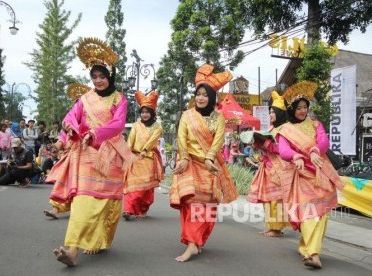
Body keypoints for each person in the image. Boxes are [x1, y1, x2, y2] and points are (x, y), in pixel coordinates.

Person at [45, 37, 135, 267]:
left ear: (110, 76)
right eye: (94, 77)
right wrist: (63, 137)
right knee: (83, 199)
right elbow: (71, 119)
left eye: (102, 76)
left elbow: (117, 125)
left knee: (106, 203)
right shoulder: (85, 99)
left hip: (110, 154)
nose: (98, 81)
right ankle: (73, 249)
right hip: (85, 154)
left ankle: (99, 239)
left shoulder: (120, 99)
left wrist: (95, 134)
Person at [169, 64, 238, 262]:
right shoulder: (187, 115)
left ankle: (196, 242)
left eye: (205, 95)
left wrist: (209, 158)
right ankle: (192, 244)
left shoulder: (219, 117)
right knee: (190, 205)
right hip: (189, 164)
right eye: (198, 94)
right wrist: (183, 158)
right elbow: (181, 138)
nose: (200, 98)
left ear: (212, 98)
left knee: (206, 207)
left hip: (209, 167)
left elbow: (218, 142)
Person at [277, 81, 344, 269]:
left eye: (305, 107)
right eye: (299, 108)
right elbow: (283, 150)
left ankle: (308, 249)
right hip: (302, 175)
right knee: (308, 213)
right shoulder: (286, 129)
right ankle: (313, 254)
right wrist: (296, 155)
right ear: (292, 109)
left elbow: (324, 141)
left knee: (321, 214)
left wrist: (315, 150)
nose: (303, 111)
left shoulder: (316, 124)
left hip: (321, 174)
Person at [245, 91, 292, 238]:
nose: (271, 114)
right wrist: (258, 143)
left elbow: (283, 149)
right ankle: (271, 226)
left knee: (276, 199)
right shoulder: (271, 128)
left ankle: (277, 228)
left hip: (279, 169)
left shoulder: (287, 129)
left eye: (273, 112)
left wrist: (266, 144)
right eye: (270, 112)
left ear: (280, 113)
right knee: (267, 199)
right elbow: (267, 145)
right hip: (267, 167)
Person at [123, 91, 164, 220]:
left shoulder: (158, 127)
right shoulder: (135, 126)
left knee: (145, 188)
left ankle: (142, 208)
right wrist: (127, 154)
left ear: (152, 113)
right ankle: (128, 210)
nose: (144, 114)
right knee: (131, 185)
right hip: (135, 158)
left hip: (148, 158)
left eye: (147, 112)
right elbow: (130, 141)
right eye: (142, 112)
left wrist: (145, 150)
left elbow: (152, 141)